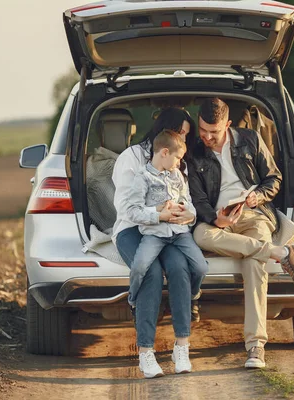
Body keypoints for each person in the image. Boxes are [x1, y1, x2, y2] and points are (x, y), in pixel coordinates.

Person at [188, 97, 294, 369]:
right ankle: (281, 253)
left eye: (213, 132)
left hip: (254, 215)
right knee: (200, 236)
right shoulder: (195, 152)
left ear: (227, 125)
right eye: (203, 130)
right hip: (219, 221)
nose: (207, 137)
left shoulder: (250, 139)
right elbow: (197, 198)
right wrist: (214, 218)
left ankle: (256, 347)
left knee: (254, 264)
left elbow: (274, 179)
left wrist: (257, 197)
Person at [112, 108, 200, 378]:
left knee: (180, 269)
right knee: (150, 274)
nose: (184, 139)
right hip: (132, 227)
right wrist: (159, 214)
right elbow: (127, 209)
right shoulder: (132, 159)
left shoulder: (176, 164)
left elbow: (184, 200)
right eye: (181, 132)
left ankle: (181, 346)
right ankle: (146, 353)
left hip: (168, 229)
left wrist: (186, 216)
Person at [125, 129, 208, 315]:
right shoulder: (143, 177)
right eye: (178, 158)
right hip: (154, 234)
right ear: (164, 153)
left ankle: (192, 295)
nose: (180, 163)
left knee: (201, 267)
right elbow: (132, 212)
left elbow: (188, 201)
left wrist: (188, 213)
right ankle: (133, 299)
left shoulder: (177, 175)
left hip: (180, 233)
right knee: (139, 266)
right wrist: (159, 216)